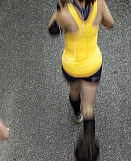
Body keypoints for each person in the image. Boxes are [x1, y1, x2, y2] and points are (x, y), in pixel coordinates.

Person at [48, 0, 114, 137]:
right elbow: (110, 24)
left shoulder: (65, 12)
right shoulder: (99, 4)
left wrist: (59, 7)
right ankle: (89, 149)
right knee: (88, 107)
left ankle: (77, 114)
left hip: (71, 67)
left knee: (74, 91)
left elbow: (52, 30)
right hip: (93, 66)